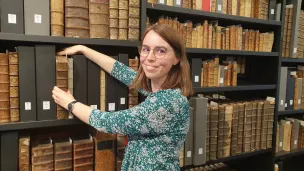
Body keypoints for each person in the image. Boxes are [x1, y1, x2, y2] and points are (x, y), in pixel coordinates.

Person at [52, 24, 193, 170]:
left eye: (161, 51)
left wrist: (70, 103)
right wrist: (84, 49)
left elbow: (109, 122)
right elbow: (121, 71)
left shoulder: (169, 102)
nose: (150, 58)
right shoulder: (160, 89)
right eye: (145, 49)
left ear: (177, 58)